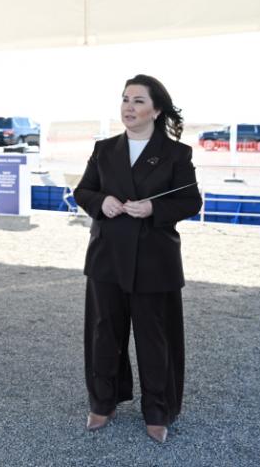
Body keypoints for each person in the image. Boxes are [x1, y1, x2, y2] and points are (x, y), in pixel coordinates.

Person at [74, 74, 202, 443]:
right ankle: (103, 402)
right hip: (107, 258)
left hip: (154, 261)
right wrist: (102, 202)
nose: (129, 107)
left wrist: (153, 208)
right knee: (104, 333)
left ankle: (158, 411)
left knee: (154, 338)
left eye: (138, 101)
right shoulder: (104, 149)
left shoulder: (177, 154)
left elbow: (191, 201)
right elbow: (83, 190)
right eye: (125, 99)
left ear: (156, 109)